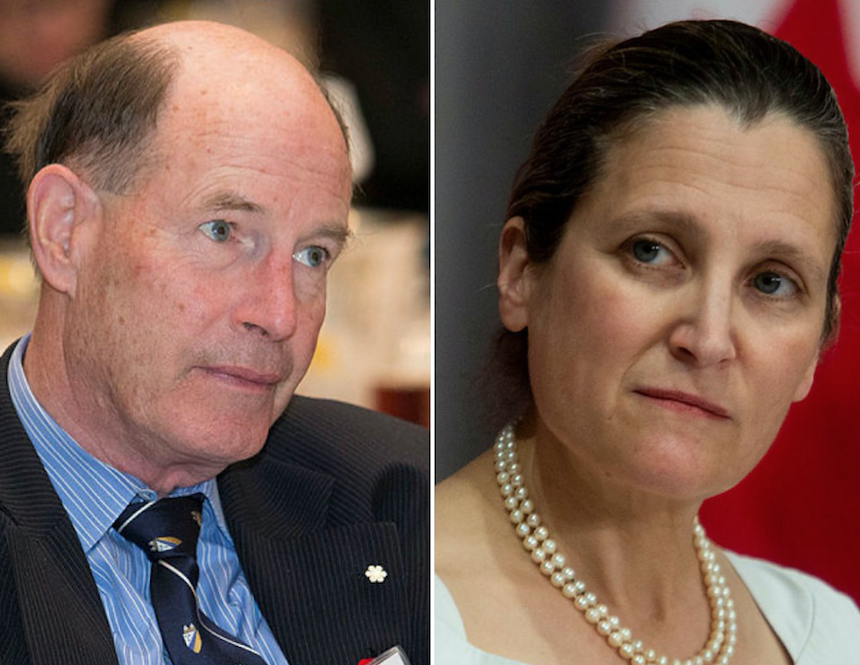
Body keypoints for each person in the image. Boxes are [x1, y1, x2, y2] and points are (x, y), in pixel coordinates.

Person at [0, 20, 428, 665]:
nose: (279, 314)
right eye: (223, 232)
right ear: (65, 231)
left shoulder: (403, 499)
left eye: (313, 255)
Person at [435, 19, 860, 665]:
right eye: (651, 251)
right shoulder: (392, 606)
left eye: (771, 282)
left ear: (818, 346)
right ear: (521, 271)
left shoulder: (833, 635)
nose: (708, 339)